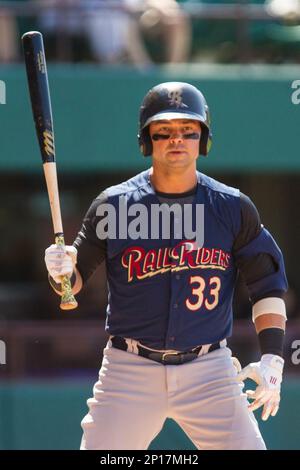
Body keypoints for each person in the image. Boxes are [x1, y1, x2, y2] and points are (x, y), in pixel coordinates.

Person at [45, 82, 288, 450]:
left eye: (188, 131)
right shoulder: (114, 205)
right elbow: (73, 282)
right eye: (164, 132)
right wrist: (60, 270)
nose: (177, 140)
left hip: (210, 370)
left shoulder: (232, 207)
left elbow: (267, 286)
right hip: (129, 368)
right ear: (147, 142)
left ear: (203, 140)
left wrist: (272, 358)